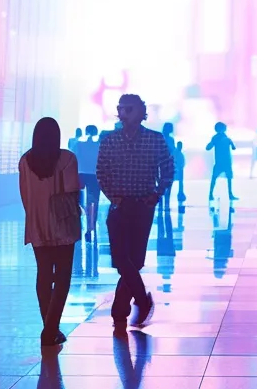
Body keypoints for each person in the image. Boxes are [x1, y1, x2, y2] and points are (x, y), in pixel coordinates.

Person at [98, 94, 173, 329]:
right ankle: (141, 300)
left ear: (141, 112)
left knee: (135, 260)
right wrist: (114, 196)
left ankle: (120, 308)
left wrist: (156, 194)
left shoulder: (155, 139)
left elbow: (169, 168)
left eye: (129, 109)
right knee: (122, 260)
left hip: (142, 205)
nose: (124, 113)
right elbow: (101, 172)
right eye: (121, 109)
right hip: (119, 205)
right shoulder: (110, 140)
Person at [19, 118, 82, 347]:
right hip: (62, 224)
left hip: (37, 223)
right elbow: (72, 190)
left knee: (44, 274)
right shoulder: (67, 159)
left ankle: (49, 326)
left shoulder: (26, 160)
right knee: (63, 275)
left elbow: (24, 194)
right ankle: (50, 329)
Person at [77, 125, 102, 239]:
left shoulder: (79, 145)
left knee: (81, 201)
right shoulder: (99, 146)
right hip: (95, 175)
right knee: (94, 201)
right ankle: (92, 225)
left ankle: (84, 224)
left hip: (81, 174)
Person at [206, 122, 238, 202]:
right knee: (218, 178)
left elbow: (233, 147)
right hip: (222, 162)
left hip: (223, 162)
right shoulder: (218, 138)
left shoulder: (224, 138)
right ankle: (211, 194)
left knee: (225, 178)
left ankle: (213, 194)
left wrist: (230, 143)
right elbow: (208, 147)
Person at [172, 140, 187, 210]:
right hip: (176, 170)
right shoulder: (176, 153)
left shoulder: (179, 153)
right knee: (176, 182)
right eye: (180, 146)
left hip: (180, 170)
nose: (181, 147)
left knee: (181, 183)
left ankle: (180, 193)